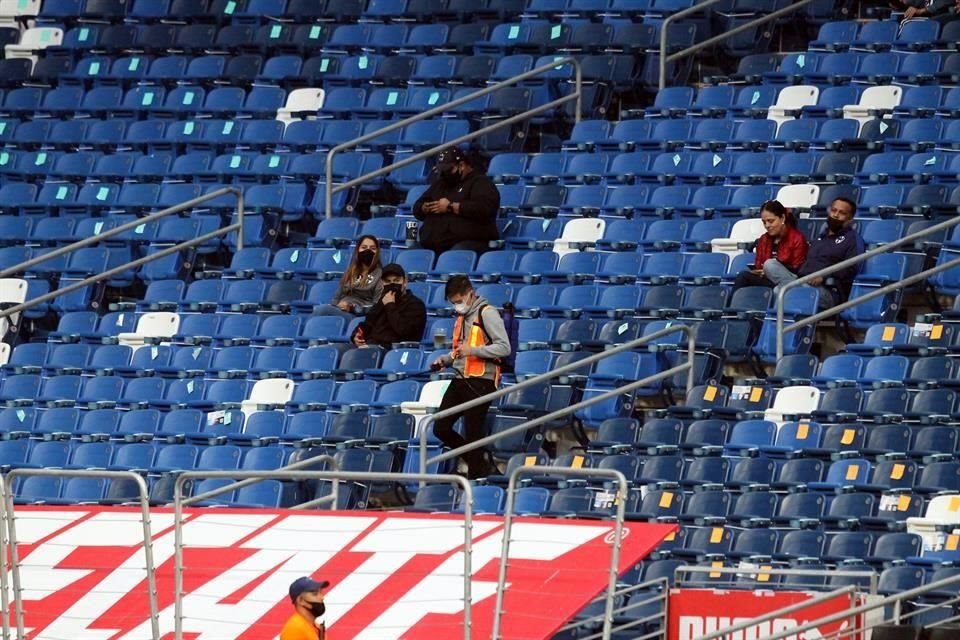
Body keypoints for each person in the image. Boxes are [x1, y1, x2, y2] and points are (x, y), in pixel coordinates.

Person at [430, 276, 511, 479]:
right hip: (459, 378)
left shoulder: (488, 313)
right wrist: (446, 360)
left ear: (470, 293)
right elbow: (460, 350)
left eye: (459, 300)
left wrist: (474, 350)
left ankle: (478, 476)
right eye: (453, 302)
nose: (457, 305)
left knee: (473, 433)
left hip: (481, 382)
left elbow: (504, 347)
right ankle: (481, 463)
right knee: (440, 427)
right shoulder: (461, 317)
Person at [763, 197, 865, 308]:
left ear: (850, 219)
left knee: (780, 290)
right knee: (770, 264)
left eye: (842, 213)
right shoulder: (821, 237)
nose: (835, 215)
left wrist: (824, 276)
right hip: (802, 280)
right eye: (834, 210)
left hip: (828, 290)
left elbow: (851, 269)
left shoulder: (852, 239)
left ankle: (782, 323)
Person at [413, 147, 501, 254]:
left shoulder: (480, 182)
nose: (444, 174)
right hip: (431, 244)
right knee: (410, 253)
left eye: (448, 170)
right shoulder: (440, 184)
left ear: (461, 165)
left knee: (455, 254)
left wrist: (451, 207)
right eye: (442, 171)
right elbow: (417, 206)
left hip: (468, 244)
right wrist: (424, 207)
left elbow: (485, 209)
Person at [733, 200, 808, 291]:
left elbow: (798, 268)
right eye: (764, 222)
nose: (767, 225)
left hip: (789, 279)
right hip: (767, 279)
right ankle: (729, 305)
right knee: (743, 276)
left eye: (771, 221)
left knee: (770, 265)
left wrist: (772, 270)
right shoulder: (763, 239)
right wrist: (760, 271)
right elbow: (758, 264)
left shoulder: (797, 238)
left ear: (783, 218)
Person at [351, 263, 427, 348]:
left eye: (396, 280)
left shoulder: (415, 305)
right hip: (370, 345)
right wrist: (356, 336)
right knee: (340, 348)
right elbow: (368, 322)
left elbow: (405, 331)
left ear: (405, 282)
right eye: (387, 281)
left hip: (393, 349)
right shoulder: (381, 301)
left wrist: (390, 305)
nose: (392, 284)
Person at [314, 235, 383, 320]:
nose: (368, 250)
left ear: (377, 252)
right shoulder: (350, 271)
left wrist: (353, 307)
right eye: (364, 247)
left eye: (372, 248)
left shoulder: (381, 275)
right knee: (319, 311)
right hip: (341, 310)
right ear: (358, 250)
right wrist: (339, 305)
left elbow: (378, 305)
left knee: (323, 310)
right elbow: (336, 298)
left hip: (358, 316)